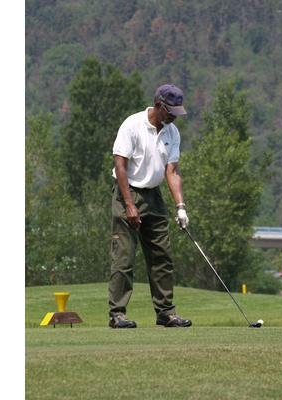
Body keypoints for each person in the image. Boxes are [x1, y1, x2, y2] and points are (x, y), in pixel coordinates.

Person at [108, 84, 192, 329]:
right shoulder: (132, 125)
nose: (175, 116)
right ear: (158, 105)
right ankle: (117, 315)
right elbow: (120, 166)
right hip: (128, 192)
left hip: (153, 196)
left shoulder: (172, 132)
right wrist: (130, 205)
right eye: (171, 110)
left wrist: (180, 206)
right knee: (123, 258)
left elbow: (172, 171)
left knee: (162, 256)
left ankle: (166, 313)